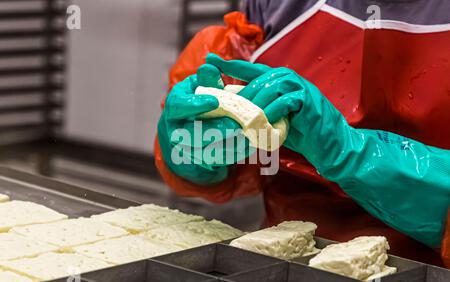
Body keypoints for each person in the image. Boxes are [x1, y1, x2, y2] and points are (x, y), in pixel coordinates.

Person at [155, 0, 450, 266]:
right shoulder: (279, 7)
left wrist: (353, 154)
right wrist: (193, 149)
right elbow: (236, 157)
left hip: (427, 277)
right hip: (286, 263)